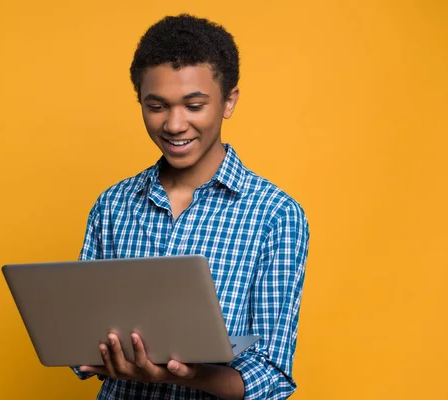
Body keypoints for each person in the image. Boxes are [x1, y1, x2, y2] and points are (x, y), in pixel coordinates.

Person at [72, 14, 309, 400]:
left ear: (228, 101)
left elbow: (272, 374)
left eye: (194, 105)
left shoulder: (275, 215)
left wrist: (182, 375)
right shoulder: (112, 206)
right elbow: (80, 334)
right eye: (157, 106)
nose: (175, 124)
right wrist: (91, 351)